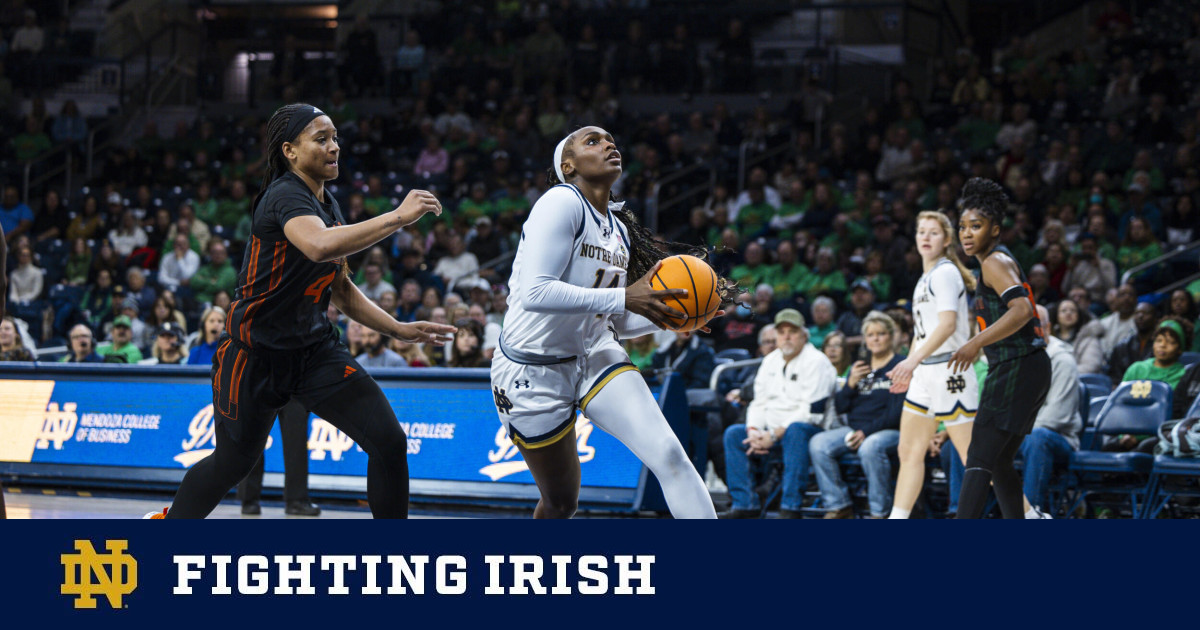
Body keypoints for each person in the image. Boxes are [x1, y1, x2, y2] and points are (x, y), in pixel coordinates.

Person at [146, 103, 454, 519]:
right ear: (289, 151)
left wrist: (397, 328)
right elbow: (319, 246)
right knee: (232, 464)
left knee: (389, 441)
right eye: (321, 139)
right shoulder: (284, 195)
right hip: (254, 354)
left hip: (312, 352)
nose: (334, 147)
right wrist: (398, 217)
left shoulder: (328, 205)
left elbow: (339, 289)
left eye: (336, 138)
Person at [490, 126, 734, 519]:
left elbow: (612, 317)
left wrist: (674, 318)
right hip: (531, 367)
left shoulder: (618, 229)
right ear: (568, 165)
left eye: (611, 140)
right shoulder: (560, 202)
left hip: (594, 353)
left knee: (670, 455)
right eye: (592, 141)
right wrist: (625, 296)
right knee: (561, 502)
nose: (608, 144)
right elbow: (535, 293)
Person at [949, 178, 1051, 519]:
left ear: (995, 229)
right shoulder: (992, 263)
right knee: (1000, 460)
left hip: (1017, 364)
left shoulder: (994, 262)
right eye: (962, 227)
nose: (966, 234)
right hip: (1029, 366)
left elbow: (1022, 310)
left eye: (975, 226)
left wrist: (975, 343)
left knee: (979, 456)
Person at [887, 211, 978, 519]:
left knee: (974, 458)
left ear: (947, 239)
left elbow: (948, 325)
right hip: (925, 373)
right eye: (921, 231)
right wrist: (910, 368)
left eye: (933, 232)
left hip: (950, 370)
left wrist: (912, 360)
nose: (925, 237)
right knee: (909, 451)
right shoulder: (924, 278)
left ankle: (1030, 516)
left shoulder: (945, 273)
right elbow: (922, 332)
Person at [720, 309, 837, 518]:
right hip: (770, 432)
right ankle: (745, 504)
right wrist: (754, 431)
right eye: (782, 332)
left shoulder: (817, 362)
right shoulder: (770, 360)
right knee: (734, 434)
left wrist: (773, 435)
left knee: (795, 431)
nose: (786, 337)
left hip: (809, 431)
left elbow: (812, 412)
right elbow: (759, 402)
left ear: (804, 335)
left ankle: (790, 507)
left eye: (792, 332)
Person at [809, 311, 905, 518]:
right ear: (865, 340)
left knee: (870, 447)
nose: (875, 339)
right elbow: (841, 407)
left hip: (890, 430)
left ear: (891, 336)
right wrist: (850, 384)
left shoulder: (900, 366)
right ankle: (839, 505)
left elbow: (896, 413)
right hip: (854, 429)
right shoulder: (859, 366)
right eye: (870, 335)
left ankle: (880, 512)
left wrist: (865, 432)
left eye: (881, 334)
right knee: (819, 443)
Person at [1019, 305, 1082, 516]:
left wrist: (1015, 432)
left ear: (1047, 328)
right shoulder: (1014, 358)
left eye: (1033, 325)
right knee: (970, 440)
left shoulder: (1063, 361)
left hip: (1058, 438)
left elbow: (1056, 416)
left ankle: (1031, 513)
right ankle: (962, 512)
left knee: (1037, 437)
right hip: (1020, 434)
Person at [237, 399, 321, 517]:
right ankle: (249, 499)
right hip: (264, 388)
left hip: (290, 390)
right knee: (253, 435)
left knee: (296, 438)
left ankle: (296, 500)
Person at [1107, 301, 1159, 383]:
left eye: (1146, 313)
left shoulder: (1160, 346)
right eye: (1137, 313)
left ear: (1155, 318)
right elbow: (1114, 377)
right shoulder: (1122, 346)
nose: (1140, 316)